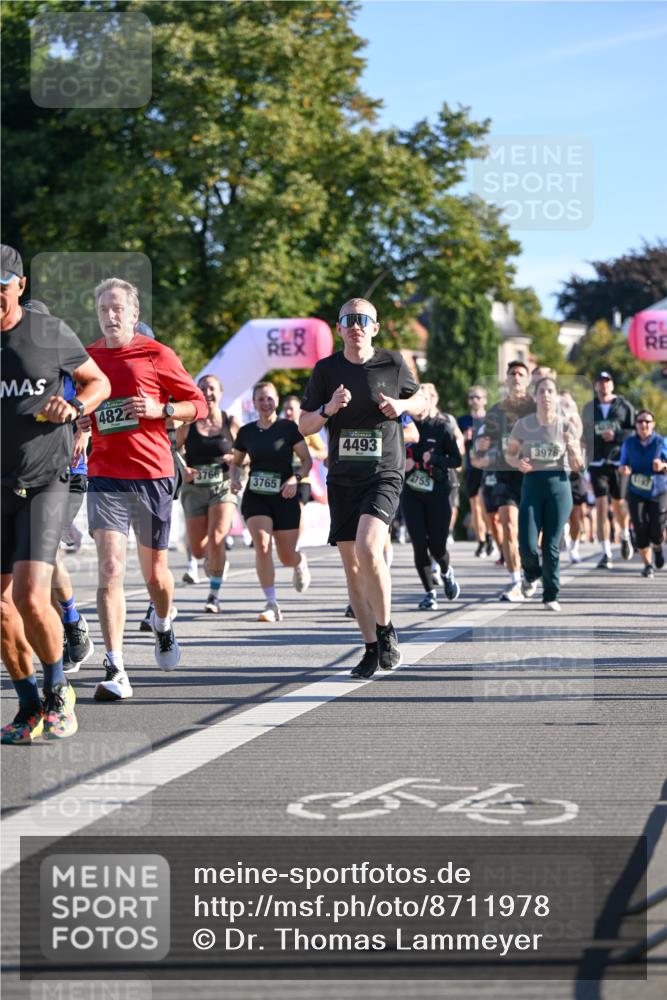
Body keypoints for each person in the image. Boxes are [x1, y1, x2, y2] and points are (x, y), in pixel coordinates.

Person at [1, 245, 110, 743]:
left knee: (27, 594)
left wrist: (75, 407)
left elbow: (98, 382)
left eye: (2, 284)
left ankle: (57, 689)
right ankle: (27, 707)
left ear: (20, 285)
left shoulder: (48, 331)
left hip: (45, 480)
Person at [84, 278, 207, 701]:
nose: (110, 315)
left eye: (118, 308)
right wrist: (81, 420)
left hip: (152, 475)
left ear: (134, 314)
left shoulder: (157, 354)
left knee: (156, 575)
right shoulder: (87, 358)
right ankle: (115, 665)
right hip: (104, 475)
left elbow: (199, 404)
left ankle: (164, 620)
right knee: (111, 568)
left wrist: (163, 409)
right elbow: (78, 406)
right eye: (103, 309)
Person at [299, 297, 424, 678]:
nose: (355, 325)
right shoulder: (326, 370)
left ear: (374, 327)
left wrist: (401, 407)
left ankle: (386, 631)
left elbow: (421, 401)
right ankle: (370, 646)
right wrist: (328, 409)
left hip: (384, 471)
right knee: (353, 567)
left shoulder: (392, 363)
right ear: (339, 328)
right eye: (348, 320)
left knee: (371, 547)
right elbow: (304, 425)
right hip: (343, 478)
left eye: (362, 319)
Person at [23, 299, 95, 670]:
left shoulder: (67, 361)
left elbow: (99, 394)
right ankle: (63, 625)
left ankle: (71, 623)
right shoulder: (16, 362)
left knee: (44, 552)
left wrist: (82, 423)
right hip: (24, 474)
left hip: (68, 474)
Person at [230, 381, 312, 622]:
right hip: (256, 496)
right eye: (260, 399)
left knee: (286, 556)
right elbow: (236, 462)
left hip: (285, 496)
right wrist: (235, 479)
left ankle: (299, 561)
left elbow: (306, 461)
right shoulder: (246, 432)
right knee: (262, 546)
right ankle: (271, 602)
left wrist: (295, 479)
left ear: (276, 400)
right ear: (254, 403)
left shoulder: (288, 428)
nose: (265, 403)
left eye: (269, 399)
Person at [506, 376, 584, 611]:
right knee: (527, 543)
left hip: (559, 486)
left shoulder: (566, 425)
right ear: (536, 396)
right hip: (532, 484)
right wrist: (517, 463)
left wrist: (572, 448)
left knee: (550, 544)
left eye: (550, 391)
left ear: (556, 396)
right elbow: (509, 454)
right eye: (542, 391)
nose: (546, 396)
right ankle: (531, 574)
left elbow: (579, 465)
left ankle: (551, 594)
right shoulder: (524, 424)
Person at [176, 374, 239, 613]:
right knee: (200, 549)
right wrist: (184, 468)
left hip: (222, 486)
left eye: (212, 389)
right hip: (194, 489)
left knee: (217, 537)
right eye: (203, 389)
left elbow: (247, 452)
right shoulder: (188, 424)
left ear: (220, 393)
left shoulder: (230, 423)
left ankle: (213, 593)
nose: (208, 393)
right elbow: (173, 449)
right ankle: (214, 561)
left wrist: (235, 458)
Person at [472, 360, 535, 600]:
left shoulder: (536, 407)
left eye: (520, 373)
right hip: (505, 476)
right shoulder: (496, 411)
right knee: (508, 527)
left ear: (527, 380)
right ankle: (515, 581)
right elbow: (484, 440)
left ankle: (531, 570)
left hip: (532, 477)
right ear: (506, 379)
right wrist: (481, 444)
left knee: (529, 534)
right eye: (512, 373)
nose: (516, 377)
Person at [402, 394, 462, 609]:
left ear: (428, 403)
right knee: (418, 544)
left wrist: (435, 459)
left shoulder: (441, 427)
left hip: (438, 492)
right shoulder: (403, 428)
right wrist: (403, 464)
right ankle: (430, 594)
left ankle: (446, 571)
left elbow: (457, 459)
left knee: (437, 546)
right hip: (411, 492)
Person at [582, 372, 635, 568]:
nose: (603, 385)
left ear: (612, 384)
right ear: (595, 386)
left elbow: (635, 431)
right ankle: (606, 552)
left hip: (618, 461)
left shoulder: (624, 406)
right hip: (596, 463)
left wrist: (616, 435)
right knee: (601, 505)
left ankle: (625, 534)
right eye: (600, 382)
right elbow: (583, 433)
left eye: (607, 382)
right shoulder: (589, 408)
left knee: (619, 504)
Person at [618, 411, 667, 577]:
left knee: (656, 530)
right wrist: (623, 469)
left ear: (653, 424)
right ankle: (648, 565)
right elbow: (622, 464)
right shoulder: (628, 443)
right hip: (636, 490)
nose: (643, 424)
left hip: (658, 490)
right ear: (636, 425)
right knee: (639, 528)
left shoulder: (661, 442)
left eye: (647, 421)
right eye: (640, 421)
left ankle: (658, 547)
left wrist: (662, 466)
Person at [458, 384, 496, 558]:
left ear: (485, 400)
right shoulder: (463, 421)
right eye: (471, 397)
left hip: (488, 467)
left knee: (484, 503)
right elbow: (457, 445)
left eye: (478, 397)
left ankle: (490, 535)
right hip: (471, 467)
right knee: (475, 506)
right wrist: (464, 439)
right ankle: (482, 540)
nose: (474, 400)